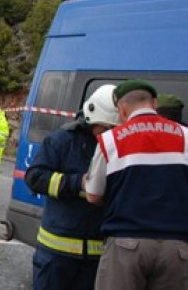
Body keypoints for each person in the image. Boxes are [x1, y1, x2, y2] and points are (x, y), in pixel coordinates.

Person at [85, 80, 188, 290]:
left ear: (122, 109)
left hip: (127, 244)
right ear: (154, 104)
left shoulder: (110, 140)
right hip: (177, 247)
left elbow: (93, 195)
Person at [26, 84, 119, 290]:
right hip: (56, 253)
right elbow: (35, 177)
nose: (109, 134)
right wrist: (78, 183)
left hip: (94, 257)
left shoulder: (114, 146)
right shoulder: (62, 140)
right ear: (91, 117)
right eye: (106, 128)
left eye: (114, 130)